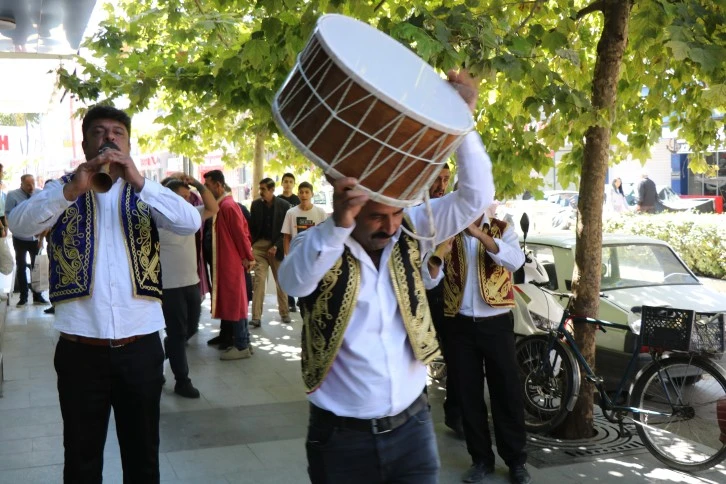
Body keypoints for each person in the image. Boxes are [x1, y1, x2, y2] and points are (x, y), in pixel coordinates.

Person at [278, 69, 494, 484]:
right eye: (378, 216)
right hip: (340, 440)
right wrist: (338, 224)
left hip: (413, 431)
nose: (391, 226)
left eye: (396, 213)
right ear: (353, 209)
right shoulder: (324, 241)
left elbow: (476, 197)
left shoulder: (411, 228)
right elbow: (293, 282)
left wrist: (462, 121)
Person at [7, 105, 201, 483]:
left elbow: (190, 221)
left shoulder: (147, 191)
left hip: (141, 347)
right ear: (84, 143)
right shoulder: (60, 188)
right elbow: (20, 224)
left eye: (118, 132)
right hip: (80, 350)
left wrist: (141, 181)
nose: (109, 139)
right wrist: (69, 191)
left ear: (129, 142)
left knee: (143, 457)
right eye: (99, 132)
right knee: (81, 459)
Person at [442, 204, 529, 484]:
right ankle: (480, 459)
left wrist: (481, 235)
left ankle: (516, 461)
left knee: (507, 393)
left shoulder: (502, 229)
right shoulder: (448, 233)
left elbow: (515, 262)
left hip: (496, 322)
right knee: (468, 396)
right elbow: (430, 274)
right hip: (460, 324)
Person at [159, 177, 218, 398]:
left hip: (192, 283)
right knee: (177, 334)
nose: (185, 201)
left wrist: (197, 184)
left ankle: (159, 358)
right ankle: (182, 381)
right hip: (169, 286)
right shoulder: (157, 217)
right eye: (180, 197)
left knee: (190, 330)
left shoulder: (192, 216)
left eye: (187, 197)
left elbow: (214, 207)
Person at [423, 163, 463, 437]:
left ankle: (457, 415)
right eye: (436, 179)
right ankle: (418, 416)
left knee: (458, 357)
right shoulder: (413, 212)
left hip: (449, 293)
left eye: (446, 179)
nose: (441, 185)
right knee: (415, 356)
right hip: (419, 292)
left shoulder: (452, 210)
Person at [203, 170, 256, 360]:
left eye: (208, 186)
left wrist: (248, 257)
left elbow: (241, 235)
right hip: (228, 262)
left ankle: (241, 345)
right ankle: (244, 343)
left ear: (218, 185)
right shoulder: (224, 205)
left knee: (237, 303)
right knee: (237, 302)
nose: (206, 190)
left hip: (232, 263)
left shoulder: (227, 206)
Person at [249, 177, 291, 328]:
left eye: (263, 189)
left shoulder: (284, 206)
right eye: (260, 189)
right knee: (259, 281)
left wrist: (277, 246)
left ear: (272, 190)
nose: (261, 192)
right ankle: (256, 317)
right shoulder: (255, 205)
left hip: (276, 247)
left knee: (281, 281)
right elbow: (252, 228)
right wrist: (251, 245)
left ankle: (284, 312)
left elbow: (287, 230)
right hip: (259, 248)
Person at [5, 173, 48, 307]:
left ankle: (37, 295)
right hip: (20, 238)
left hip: (35, 237)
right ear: (22, 184)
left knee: (37, 266)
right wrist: (15, 230)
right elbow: (8, 214)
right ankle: (23, 296)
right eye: (28, 184)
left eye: (33, 184)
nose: (31, 187)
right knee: (21, 266)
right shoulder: (12, 195)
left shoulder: (38, 194)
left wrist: (41, 235)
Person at [281, 181, 328, 256]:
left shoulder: (320, 212)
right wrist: (287, 257)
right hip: (296, 256)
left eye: (307, 192)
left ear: (312, 194)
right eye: (301, 192)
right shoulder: (290, 213)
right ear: (298, 194)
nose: (304, 195)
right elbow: (286, 237)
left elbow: (326, 236)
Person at [278, 172, 301, 313]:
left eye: (290, 181)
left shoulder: (298, 199)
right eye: (285, 181)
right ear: (281, 183)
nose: (288, 184)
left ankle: (301, 299)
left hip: (295, 239)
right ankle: (290, 301)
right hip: (281, 239)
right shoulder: (277, 199)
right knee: (287, 270)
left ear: (294, 184)